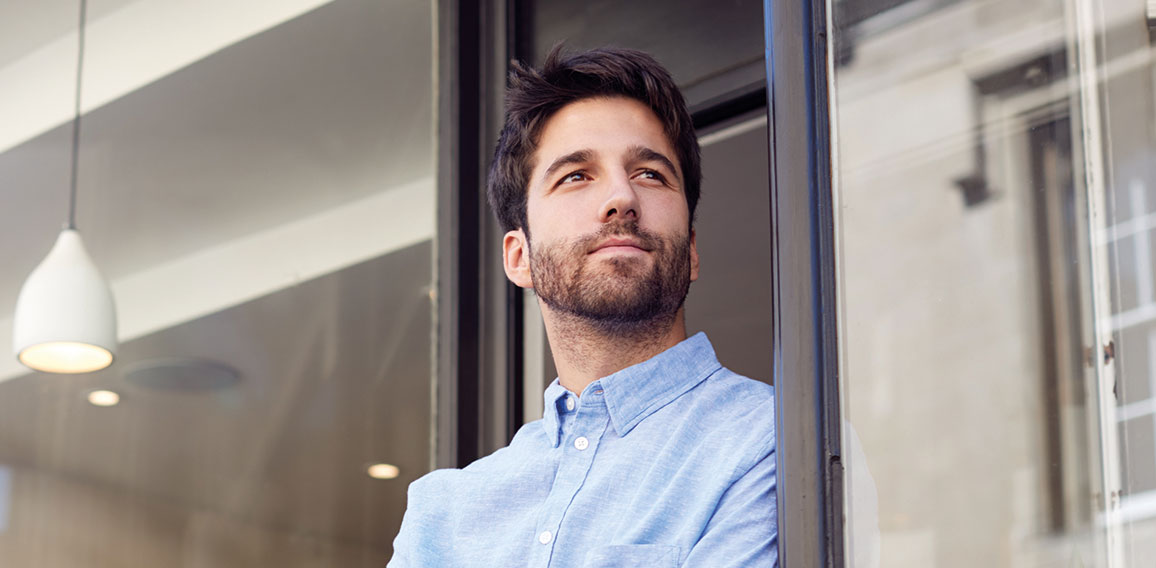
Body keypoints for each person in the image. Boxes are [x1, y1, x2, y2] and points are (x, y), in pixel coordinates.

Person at [388, 46, 777, 567]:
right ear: (519, 257)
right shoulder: (444, 513)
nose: (622, 197)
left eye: (651, 174)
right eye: (576, 175)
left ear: (692, 251)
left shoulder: (776, 438)